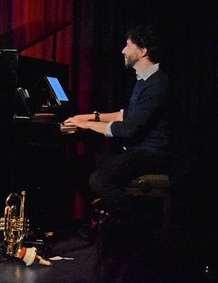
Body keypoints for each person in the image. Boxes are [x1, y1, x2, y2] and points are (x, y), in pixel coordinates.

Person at [63, 24, 171, 232]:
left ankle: (132, 226)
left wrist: (86, 124)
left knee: (99, 179)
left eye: (128, 45)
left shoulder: (157, 85)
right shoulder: (144, 80)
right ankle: (107, 214)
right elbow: (125, 114)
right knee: (77, 166)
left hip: (151, 154)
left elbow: (128, 129)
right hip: (137, 151)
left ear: (142, 51)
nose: (123, 50)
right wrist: (85, 116)